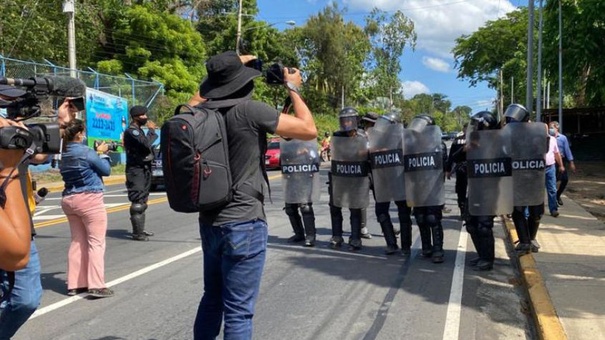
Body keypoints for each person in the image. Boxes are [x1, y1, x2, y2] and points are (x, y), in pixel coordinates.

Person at [191, 51, 316, 340]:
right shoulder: (251, 111)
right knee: (238, 311)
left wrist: (223, 68)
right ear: (243, 81)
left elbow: (193, 100)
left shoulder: (198, 114)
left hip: (209, 221)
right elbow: (309, 129)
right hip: (244, 221)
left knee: (212, 298)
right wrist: (292, 87)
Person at [60, 119, 114, 298]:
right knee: (96, 243)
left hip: (69, 198)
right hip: (90, 199)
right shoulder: (86, 152)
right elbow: (106, 170)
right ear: (80, 133)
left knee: (77, 241)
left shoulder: (64, 152)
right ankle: (97, 285)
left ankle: (75, 284)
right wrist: (103, 154)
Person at [504, 104, 546, 255]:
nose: (511, 118)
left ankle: (530, 238)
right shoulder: (507, 134)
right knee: (517, 210)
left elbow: (543, 150)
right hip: (517, 177)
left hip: (534, 176)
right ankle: (524, 241)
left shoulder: (536, 133)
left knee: (536, 211)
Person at [368, 112, 411, 255]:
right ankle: (391, 243)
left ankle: (406, 246)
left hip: (400, 179)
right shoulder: (376, 139)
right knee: (380, 212)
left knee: (404, 213)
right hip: (382, 181)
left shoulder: (404, 138)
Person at [328, 107, 370, 251]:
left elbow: (367, 156)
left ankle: (355, 238)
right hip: (339, 176)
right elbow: (335, 154)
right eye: (344, 120)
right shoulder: (337, 135)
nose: (346, 123)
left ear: (355, 121)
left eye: (349, 120)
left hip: (356, 177)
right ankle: (337, 236)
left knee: (355, 209)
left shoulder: (363, 137)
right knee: (335, 207)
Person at [407, 114, 447, 263]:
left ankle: (438, 249)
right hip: (417, 189)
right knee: (421, 218)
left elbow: (442, 167)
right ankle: (426, 247)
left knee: (433, 219)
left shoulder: (439, 146)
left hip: (433, 189)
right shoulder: (411, 147)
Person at [464, 111, 501, 271]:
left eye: (478, 125)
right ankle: (481, 254)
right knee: (471, 224)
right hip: (474, 188)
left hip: (490, 190)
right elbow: (454, 158)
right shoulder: (473, 142)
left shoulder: (499, 142)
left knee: (484, 225)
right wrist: (466, 149)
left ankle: (488, 259)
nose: (475, 127)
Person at [123, 105, 158, 241]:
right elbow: (145, 144)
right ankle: (137, 233)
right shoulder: (132, 131)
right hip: (135, 170)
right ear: (136, 117)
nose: (145, 117)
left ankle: (140, 230)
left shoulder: (138, 130)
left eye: (145, 115)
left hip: (144, 168)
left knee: (143, 200)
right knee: (137, 201)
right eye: (142, 115)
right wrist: (151, 132)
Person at [548, 121, 576, 206]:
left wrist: (571, 162)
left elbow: (567, 150)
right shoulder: (547, 138)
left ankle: (558, 195)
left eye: (552, 127)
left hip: (561, 161)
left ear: (557, 128)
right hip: (552, 161)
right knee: (553, 181)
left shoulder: (563, 138)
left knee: (565, 179)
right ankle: (552, 201)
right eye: (549, 127)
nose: (550, 129)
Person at [445, 123, 468, 220]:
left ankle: (468, 210)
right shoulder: (458, 140)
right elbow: (451, 156)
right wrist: (448, 170)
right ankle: (463, 211)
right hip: (463, 168)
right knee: (461, 191)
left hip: (471, 168)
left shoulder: (479, 139)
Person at [545, 130, 565, 218]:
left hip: (550, 167)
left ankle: (553, 209)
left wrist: (561, 165)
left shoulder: (553, 139)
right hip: (538, 168)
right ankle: (536, 210)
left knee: (552, 189)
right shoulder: (534, 138)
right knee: (537, 190)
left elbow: (556, 153)